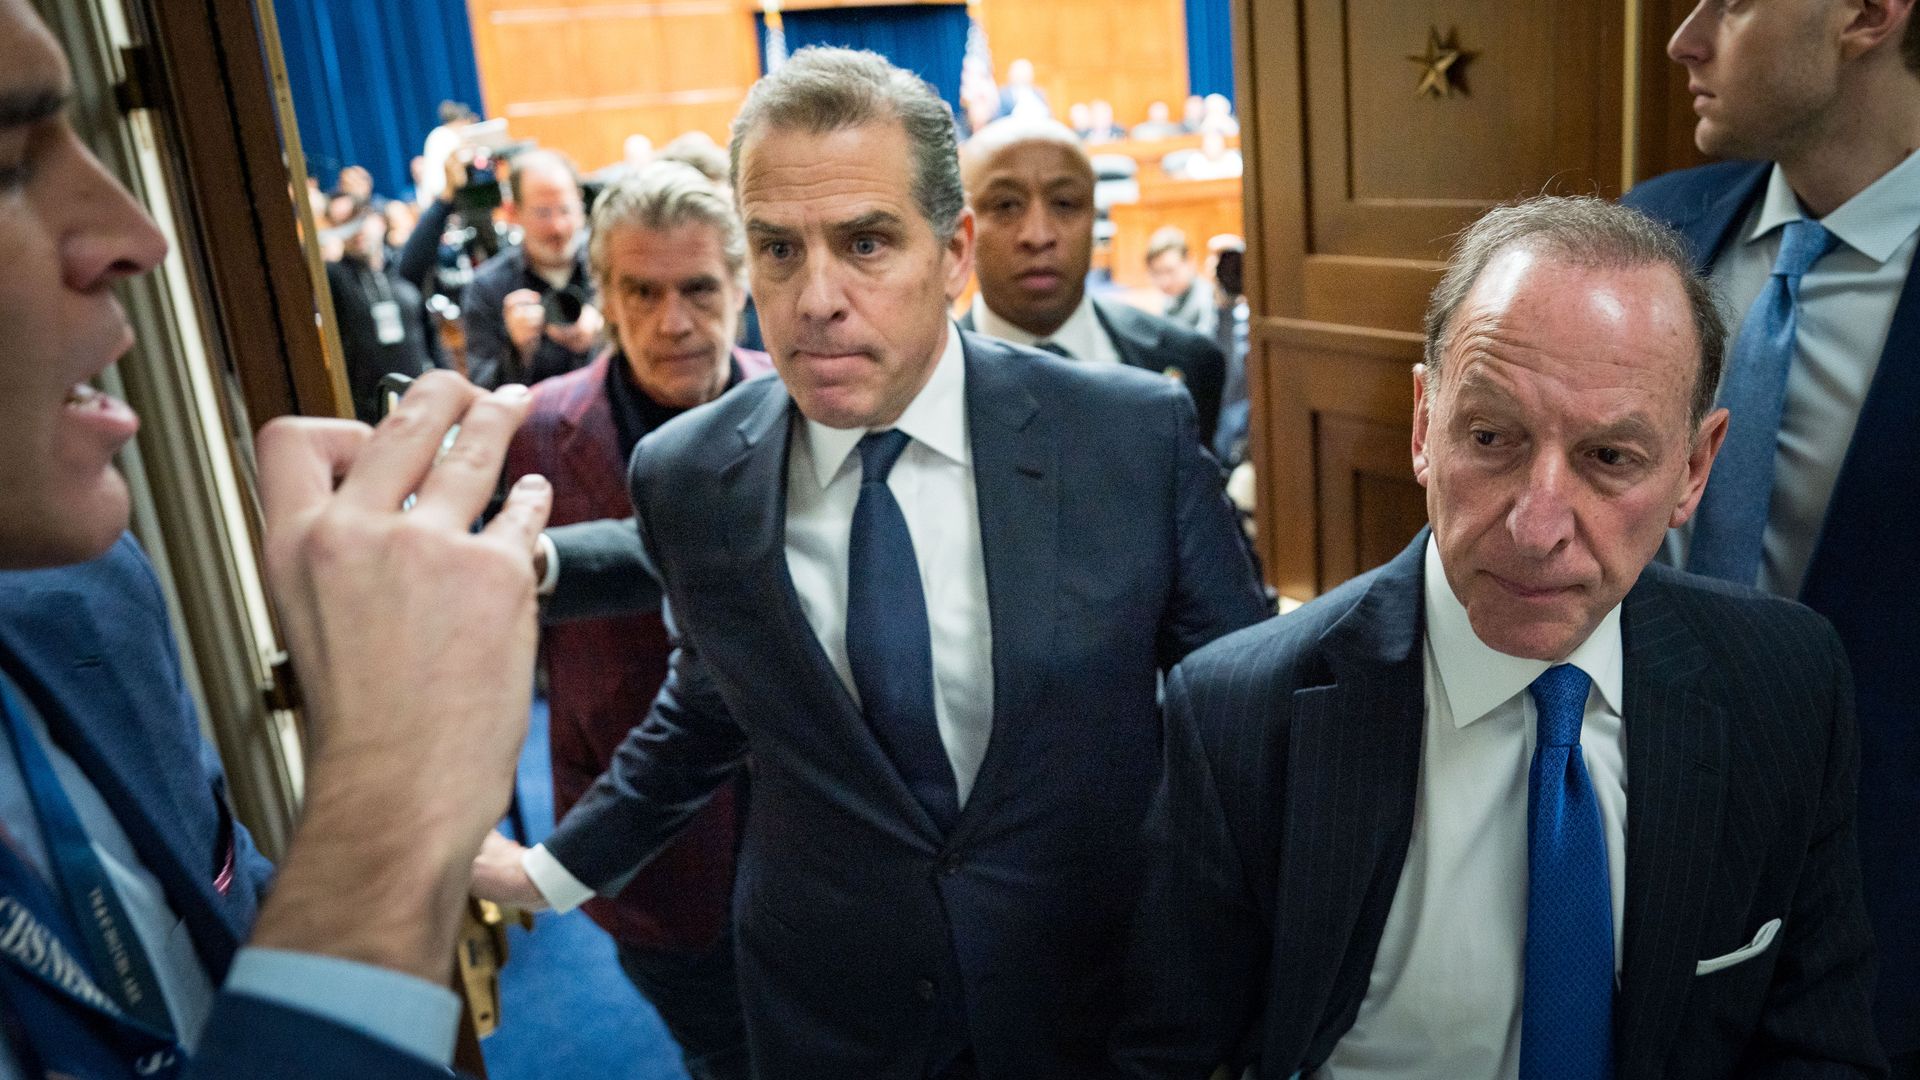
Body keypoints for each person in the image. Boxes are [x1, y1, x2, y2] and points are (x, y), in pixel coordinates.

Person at [471, 46, 1269, 1078]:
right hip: (830, 1016)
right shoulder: (686, 475)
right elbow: (713, 702)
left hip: (1100, 1004)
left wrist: (1231, 1000)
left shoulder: (1126, 437)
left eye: (865, 242)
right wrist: (553, 869)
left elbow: (1246, 730)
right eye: (778, 250)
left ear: (954, 252)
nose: (815, 298)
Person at [1113, 197, 1886, 1078]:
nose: (1536, 524)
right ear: (1422, 427)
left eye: (1610, 458)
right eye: (1490, 437)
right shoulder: (1241, 714)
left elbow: (1819, 1050)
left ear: (1695, 468)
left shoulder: (1788, 684)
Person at [0, 1, 552, 1075]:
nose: (141, 238)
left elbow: (226, 915)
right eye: (11, 163)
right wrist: (388, 818)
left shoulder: (92, 593)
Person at [1620, 3, 1920, 1068]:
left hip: (1888, 901)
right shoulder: (1645, 232)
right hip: (1624, 855)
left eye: (1731, 2)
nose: (1683, 40)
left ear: (1870, 16)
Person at [492, 162, 768, 1080]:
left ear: (741, 284)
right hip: (647, 847)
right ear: (604, 296)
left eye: (697, 289)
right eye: (641, 292)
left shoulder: (811, 402)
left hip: (830, 841)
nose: (674, 321)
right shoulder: (534, 431)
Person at [958, 117, 1229, 449]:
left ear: (1093, 216)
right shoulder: (923, 383)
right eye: (1005, 205)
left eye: (1065, 203)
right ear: (961, 232)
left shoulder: (1190, 362)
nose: (1038, 236)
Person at [461, 149, 600, 389]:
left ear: (580, 203)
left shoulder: (611, 265)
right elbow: (482, 393)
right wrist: (517, 351)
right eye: (542, 213)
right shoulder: (488, 287)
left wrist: (607, 337)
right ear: (514, 213)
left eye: (565, 209)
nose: (557, 227)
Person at [325, 211, 440, 424]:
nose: (356, 230)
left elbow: (430, 336)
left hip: (421, 398)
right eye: (344, 223)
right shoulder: (336, 277)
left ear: (379, 221)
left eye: (360, 219)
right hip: (369, 409)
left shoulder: (401, 270)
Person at [1145, 226, 1216, 336]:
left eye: (1170, 271)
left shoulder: (1208, 299)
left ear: (1189, 262)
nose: (1164, 281)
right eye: (1156, 273)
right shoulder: (1171, 297)